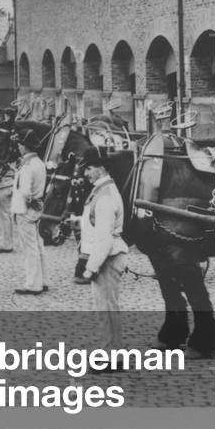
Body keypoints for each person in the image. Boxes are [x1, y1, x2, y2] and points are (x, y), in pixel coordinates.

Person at [78, 151, 129, 356]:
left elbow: (105, 239)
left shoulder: (105, 196)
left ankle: (112, 355)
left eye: (89, 168)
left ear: (102, 168)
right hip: (105, 257)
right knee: (105, 308)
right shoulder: (101, 190)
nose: (85, 173)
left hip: (107, 258)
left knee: (106, 309)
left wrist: (91, 268)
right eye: (85, 168)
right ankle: (111, 351)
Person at [11, 128, 48, 295]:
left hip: (25, 210)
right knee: (39, 245)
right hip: (38, 207)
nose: (18, 147)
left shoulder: (27, 166)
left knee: (29, 247)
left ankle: (33, 283)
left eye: (20, 144)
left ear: (25, 147)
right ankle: (44, 279)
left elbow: (25, 191)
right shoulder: (39, 163)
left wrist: (24, 204)